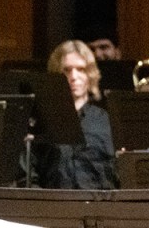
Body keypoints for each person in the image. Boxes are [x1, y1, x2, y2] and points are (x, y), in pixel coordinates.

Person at [29, 40, 117, 189]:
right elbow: (28, 178)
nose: (73, 77)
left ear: (90, 74)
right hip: (53, 208)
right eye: (66, 70)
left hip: (100, 208)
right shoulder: (40, 123)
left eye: (81, 69)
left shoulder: (107, 121)